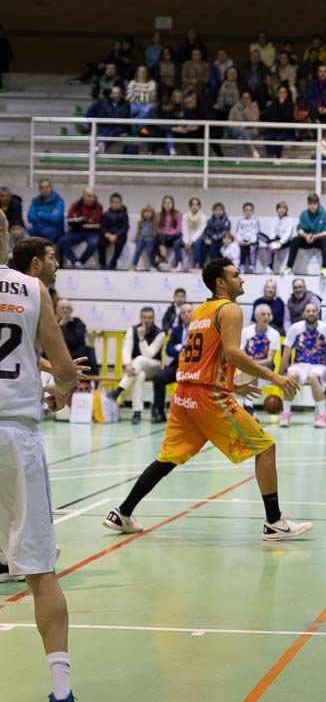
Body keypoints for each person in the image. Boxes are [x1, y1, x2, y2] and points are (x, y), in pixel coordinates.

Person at [102, 258, 313, 541]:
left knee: (168, 459)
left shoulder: (201, 310)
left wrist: (232, 386)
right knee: (265, 448)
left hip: (184, 394)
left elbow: (205, 358)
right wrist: (275, 377)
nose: (242, 280)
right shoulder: (230, 309)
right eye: (236, 275)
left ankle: (123, 512)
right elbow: (232, 353)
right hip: (206, 397)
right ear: (220, 282)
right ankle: (274, 522)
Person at [0, 222, 81, 702]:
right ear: (6, 238)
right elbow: (65, 366)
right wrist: (61, 391)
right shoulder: (32, 288)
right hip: (15, 435)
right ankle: (61, 691)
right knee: (39, 573)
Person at [279, 302, 326, 428]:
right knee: (292, 375)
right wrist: (280, 373)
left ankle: (322, 415)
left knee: (313, 377)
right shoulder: (295, 328)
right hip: (300, 364)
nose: (311, 313)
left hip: (320, 365)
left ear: (318, 313)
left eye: (314, 311)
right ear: (303, 313)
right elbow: (286, 352)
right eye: (308, 311)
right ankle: (286, 413)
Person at [105, 307, 164, 424]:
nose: (146, 320)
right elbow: (126, 348)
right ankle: (137, 413)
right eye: (144, 317)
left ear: (153, 319)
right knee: (140, 375)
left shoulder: (160, 333)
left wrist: (142, 339)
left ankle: (118, 390)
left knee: (140, 359)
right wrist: (127, 364)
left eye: (150, 318)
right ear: (140, 318)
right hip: (136, 368)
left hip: (154, 366)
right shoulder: (132, 330)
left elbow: (149, 354)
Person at [150, 303, 192, 424]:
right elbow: (169, 349)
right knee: (159, 378)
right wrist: (180, 352)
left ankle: (192, 415)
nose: (187, 315)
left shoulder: (199, 329)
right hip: (177, 365)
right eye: (184, 312)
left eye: (189, 312)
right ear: (180, 315)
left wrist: (181, 347)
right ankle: (159, 412)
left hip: (192, 368)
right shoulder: (176, 331)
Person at [239, 304, 281, 417]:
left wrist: (252, 364)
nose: (266, 317)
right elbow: (241, 353)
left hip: (265, 370)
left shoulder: (274, 334)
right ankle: (247, 407)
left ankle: (248, 406)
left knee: (249, 370)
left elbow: (269, 359)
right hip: (247, 368)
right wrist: (250, 364)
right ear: (256, 316)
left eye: (268, 314)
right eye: (263, 314)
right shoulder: (245, 331)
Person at [285, 193, 326, 276]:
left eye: (314, 204)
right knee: (295, 240)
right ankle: (289, 267)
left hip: (319, 240)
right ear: (308, 204)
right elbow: (300, 230)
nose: (312, 206)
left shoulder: (324, 214)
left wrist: (314, 236)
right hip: (308, 239)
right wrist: (306, 236)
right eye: (310, 204)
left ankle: (325, 267)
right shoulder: (304, 214)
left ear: (318, 204)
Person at [59, 188, 103, 268]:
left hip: (91, 232)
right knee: (63, 240)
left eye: (93, 196)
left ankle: (80, 262)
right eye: (89, 196)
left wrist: (81, 220)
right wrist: (82, 221)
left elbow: (96, 221)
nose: (91, 199)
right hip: (76, 231)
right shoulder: (75, 205)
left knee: (94, 243)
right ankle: (74, 261)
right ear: (83, 196)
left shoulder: (98, 207)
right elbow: (70, 219)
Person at [56, 297, 97, 377]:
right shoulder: (52, 322)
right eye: (62, 308)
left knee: (89, 352)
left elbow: (74, 340)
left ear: (71, 310)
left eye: (67, 308)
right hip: (59, 359)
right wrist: (61, 325)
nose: (65, 310)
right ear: (57, 309)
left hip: (77, 356)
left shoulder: (78, 322)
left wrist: (62, 326)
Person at [264, 201, 297, 273]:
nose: (281, 210)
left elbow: (288, 234)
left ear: (286, 210)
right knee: (269, 245)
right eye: (280, 208)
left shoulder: (290, 220)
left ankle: (289, 267)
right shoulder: (274, 219)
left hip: (285, 241)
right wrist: (273, 242)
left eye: (284, 208)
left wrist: (280, 243)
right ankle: (270, 266)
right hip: (276, 239)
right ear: (277, 209)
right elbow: (272, 231)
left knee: (294, 242)